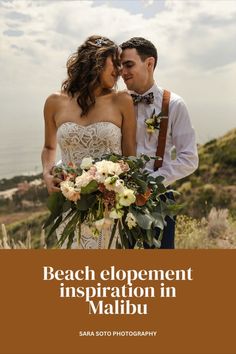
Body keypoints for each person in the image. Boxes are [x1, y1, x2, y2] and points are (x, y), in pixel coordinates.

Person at [41, 35, 136, 249]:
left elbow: (130, 156)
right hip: (70, 202)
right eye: (116, 63)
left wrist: (122, 196)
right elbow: (49, 147)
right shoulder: (54, 102)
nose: (119, 70)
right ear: (97, 61)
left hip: (110, 205)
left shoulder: (122, 101)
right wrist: (47, 173)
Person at [120, 37, 198, 249]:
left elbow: (189, 158)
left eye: (128, 64)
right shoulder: (116, 103)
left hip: (159, 201)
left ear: (149, 63)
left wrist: (152, 182)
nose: (122, 72)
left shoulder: (174, 104)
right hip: (118, 199)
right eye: (120, 66)